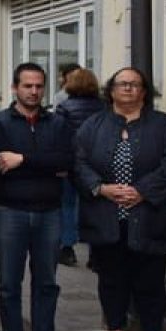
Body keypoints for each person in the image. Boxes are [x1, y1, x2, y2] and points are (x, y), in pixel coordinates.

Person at [74, 67, 166, 331]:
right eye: (122, 84)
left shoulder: (164, 126)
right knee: (111, 279)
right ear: (111, 90)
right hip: (106, 215)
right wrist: (100, 188)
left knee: (150, 280)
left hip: (149, 216)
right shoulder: (92, 125)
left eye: (135, 85)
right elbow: (79, 162)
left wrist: (143, 191)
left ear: (144, 91)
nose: (128, 89)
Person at [0, 63, 73, 331]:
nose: (34, 91)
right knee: (9, 283)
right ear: (15, 88)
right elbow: (1, 166)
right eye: (27, 86)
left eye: (39, 86)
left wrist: (22, 158)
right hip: (10, 212)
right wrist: (46, 165)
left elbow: (66, 160)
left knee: (47, 282)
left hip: (50, 212)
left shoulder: (58, 123)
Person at [54, 68, 106, 266]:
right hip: (97, 163)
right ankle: (95, 252)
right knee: (94, 205)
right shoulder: (104, 107)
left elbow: (59, 135)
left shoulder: (64, 107)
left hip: (71, 162)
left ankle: (67, 248)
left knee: (67, 204)